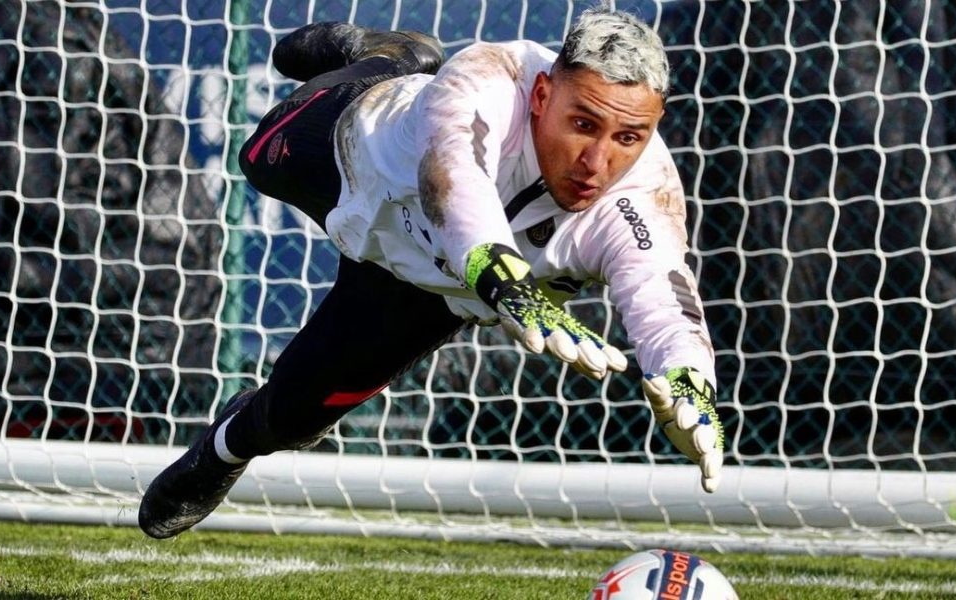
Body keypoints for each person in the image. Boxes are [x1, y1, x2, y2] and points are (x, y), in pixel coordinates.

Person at [139, 8, 725, 540]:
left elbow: (662, 295)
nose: (598, 163)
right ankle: (389, 56)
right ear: (543, 94)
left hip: (427, 289)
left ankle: (219, 454)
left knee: (292, 419)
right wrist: (508, 284)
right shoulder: (492, 73)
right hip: (351, 155)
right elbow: (454, 180)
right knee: (256, 156)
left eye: (628, 137)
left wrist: (689, 381)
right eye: (583, 124)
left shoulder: (645, 197)